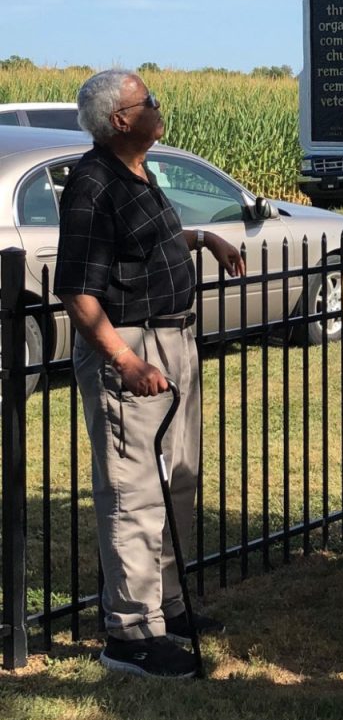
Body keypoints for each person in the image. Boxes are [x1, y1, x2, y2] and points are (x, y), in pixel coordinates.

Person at [55, 69, 244, 678]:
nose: (158, 109)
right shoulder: (91, 184)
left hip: (175, 338)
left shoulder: (138, 173)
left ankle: (166, 604)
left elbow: (145, 243)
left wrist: (203, 237)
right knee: (134, 490)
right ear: (119, 120)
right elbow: (79, 292)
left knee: (179, 478)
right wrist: (126, 360)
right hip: (133, 349)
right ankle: (130, 634)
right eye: (148, 102)